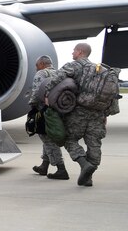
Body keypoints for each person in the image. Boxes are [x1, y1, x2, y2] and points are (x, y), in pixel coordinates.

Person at [53, 43, 112, 186]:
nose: (72, 53)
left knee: (69, 139)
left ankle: (84, 164)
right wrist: (105, 114)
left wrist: (48, 96)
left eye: (74, 50)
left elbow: (56, 79)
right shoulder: (102, 70)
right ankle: (88, 177)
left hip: (78, 113)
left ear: (80, 52)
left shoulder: (74, 66)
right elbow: (109, 95)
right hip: (98, 114)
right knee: (94, 145)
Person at [27, 55, 68, 180]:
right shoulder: (59, 74)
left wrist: (32, 107)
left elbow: (36, 92)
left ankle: (61, 169)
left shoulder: (41, 74)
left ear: (42, 64)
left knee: (48, 140)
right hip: (59, 111)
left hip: (45, 112)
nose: (36, 67)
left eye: (37, 65)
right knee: (47, 138)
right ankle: (44, 166)